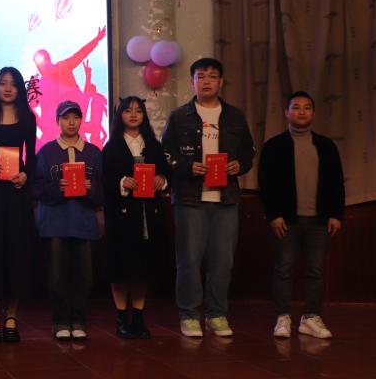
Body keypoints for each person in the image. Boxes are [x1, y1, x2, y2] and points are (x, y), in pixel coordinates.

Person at [161, 58, 255, 338]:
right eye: (200, 76)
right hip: (190, 199)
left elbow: (248, 152)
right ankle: (189, 314)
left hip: (225, 200)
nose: (206, 81)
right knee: (189, 260)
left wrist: (240, 165)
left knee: (222, 260)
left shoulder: (234, 116)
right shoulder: (179, 116)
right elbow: (166, 153)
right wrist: (188, 167)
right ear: (192, 82)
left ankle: (217, 313)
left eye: (212, 76)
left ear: (221, 82)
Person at [258, 91, 344, 340]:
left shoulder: (326, 146)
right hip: (286, 220)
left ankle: (311, 317)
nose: (302, 112)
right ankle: (282, 317)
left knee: (315, 270)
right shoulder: (274, 146)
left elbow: (337, 182)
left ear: (313, 113)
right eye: (296, 107)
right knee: (284, 268)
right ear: (286, 112)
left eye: (307, 107)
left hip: (319, 220)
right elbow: (266, 184)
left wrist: (335, 214)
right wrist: (274, 215)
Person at [33, 100, 103, 340]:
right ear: (57, 121)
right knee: (57, 276)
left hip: (84, 222)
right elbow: (36, 189)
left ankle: (79, 320)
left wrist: (91, 187)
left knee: (85, 276)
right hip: (55, 223)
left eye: (75, 117)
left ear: (81, 120)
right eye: (65, 118)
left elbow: (103, 191)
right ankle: (61, 321)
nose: (71, 122)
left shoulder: (93, 152)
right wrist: (58, 187)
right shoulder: (46, 152)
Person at [0, 67, 37, 343]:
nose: (8, 88)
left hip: (16, 190)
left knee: (16, 251)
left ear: (20, 88)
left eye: (13, 84)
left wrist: (26, 175)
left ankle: (11, 316)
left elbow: (31, 157)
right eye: (2, 83)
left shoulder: (28, 117)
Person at [101, 96, 170, 339]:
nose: (133, 115)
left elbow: (165, 172)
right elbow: (104, 180)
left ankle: (139, 317)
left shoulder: (153, 145)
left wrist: (162, 180)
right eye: (127, 111)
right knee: (120, 267)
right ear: (119, 115)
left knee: (143, 267)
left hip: (147, 215)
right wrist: (122, 182)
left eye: (138, 111)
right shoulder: (111, 147)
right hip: (121, 216)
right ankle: (121, 317)